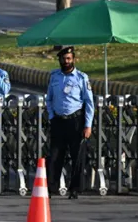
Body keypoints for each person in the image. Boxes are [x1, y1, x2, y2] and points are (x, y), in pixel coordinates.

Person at [46, 46, 94, 199]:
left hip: (75, 120)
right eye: (63, 59)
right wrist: (51, 116)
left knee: (77, 156)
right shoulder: (54, 76)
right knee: (54, 155)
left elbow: (89, 102)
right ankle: (51, 188)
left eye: (68, 59)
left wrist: (88, 125)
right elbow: (49, 99)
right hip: (58, 121)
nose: (66, 62)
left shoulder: (81, 78)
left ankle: (75, 188)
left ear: (73, 59)